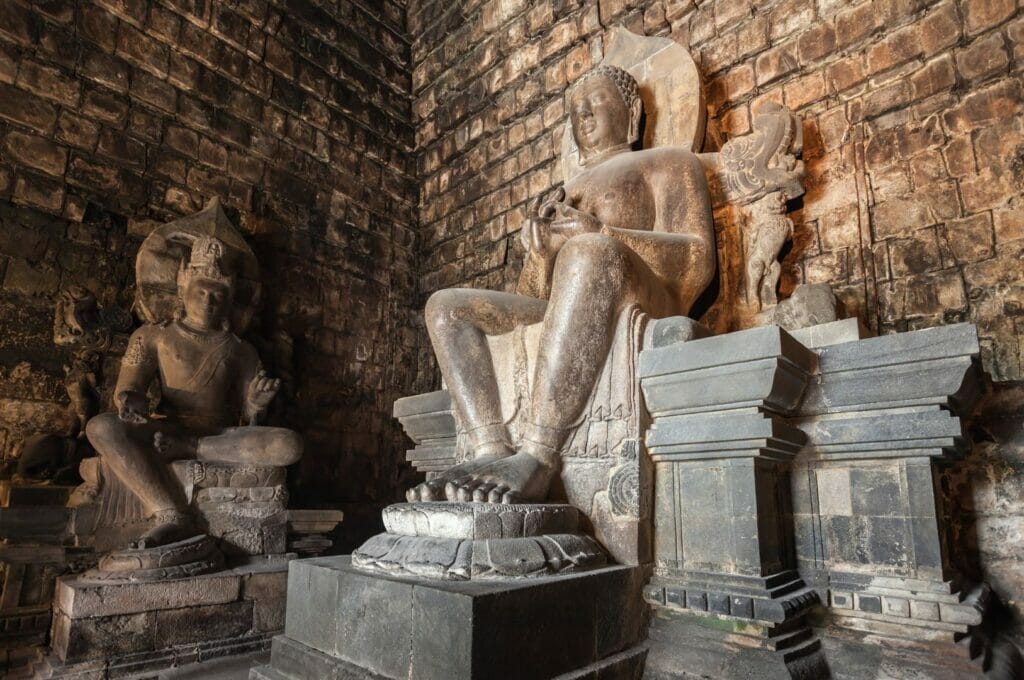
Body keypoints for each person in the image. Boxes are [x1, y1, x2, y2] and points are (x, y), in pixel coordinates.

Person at [408, 64, 715, 504]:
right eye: (574, 108)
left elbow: (696, 260)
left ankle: (537, 453)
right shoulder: (561, 193)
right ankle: (490, 449)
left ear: (631, 113)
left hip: (648, 294)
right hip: (575, 298)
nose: (582, 113)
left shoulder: (667, 163)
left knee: (587, 251)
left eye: (596, 101)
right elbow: (534, 300)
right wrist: (539, 254)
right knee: (446, 306)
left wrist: (600, 233)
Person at [84, 236, 301, 548]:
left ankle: (189, 446)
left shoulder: (242, 350)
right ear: (182, 288)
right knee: (101, 427)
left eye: (218, 293)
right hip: (165, 426)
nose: (209, 300)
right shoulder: (151, 336)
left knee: (288, 443)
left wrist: (255, 404)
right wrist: (130, 401)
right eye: (201, 290)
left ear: (229, 299)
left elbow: (250, 418)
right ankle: (170, 514)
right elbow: (129, 387)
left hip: (217, 435)